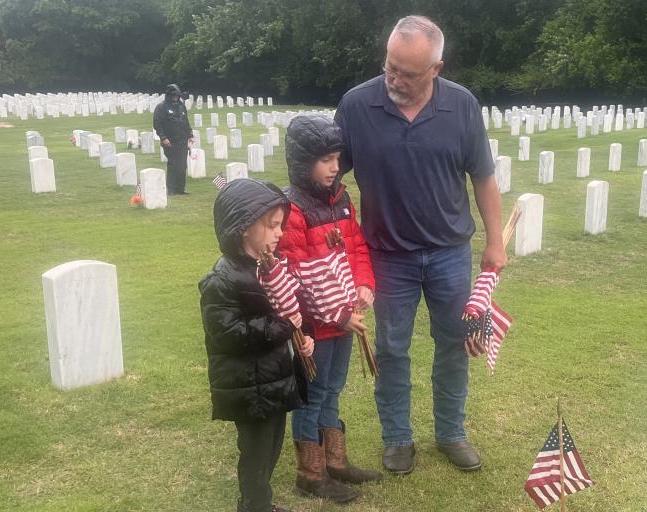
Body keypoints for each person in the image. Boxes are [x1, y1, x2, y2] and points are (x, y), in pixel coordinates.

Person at [333, 15, 507, 475]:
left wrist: (495, 243)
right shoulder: (356, 105)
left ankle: (450, 432)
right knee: (391, 348)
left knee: (454, 343)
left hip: (450, 252)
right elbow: (331, 176)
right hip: (387, 255)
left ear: (437, 68)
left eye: (408, 73)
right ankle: (397, 438)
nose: (394, 79)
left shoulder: (462, 106)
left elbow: (484, 178)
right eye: (390, 66)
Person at [277, 115, 381, 503]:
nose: (334, 167)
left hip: (344, 320)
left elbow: (355, 249)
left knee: (333, 388)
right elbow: (295, 274)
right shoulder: (293, 209)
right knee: (313, 393)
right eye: (324, 160)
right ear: (303, 162)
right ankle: (310, 471)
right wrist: (335, 313)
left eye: (336, 158)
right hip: (315, 327)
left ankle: (334, 461)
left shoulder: (342, 199)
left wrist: (364, 285)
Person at [199, 178, 315, 512]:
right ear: (243, 227)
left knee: (271, 449)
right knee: (256, 452)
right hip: (249, 386)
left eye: (280, 225)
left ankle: (259, 502)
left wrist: (302, 338)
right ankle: (254, 506)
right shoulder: (222, 280)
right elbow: (229, 333)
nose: (280, 233)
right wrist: (283, 326)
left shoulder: (272, 269)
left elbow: (292, 309)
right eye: (272, 225)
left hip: (274, 380)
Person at [153, 83, 194, 195]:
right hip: (170, 141)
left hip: (182, 140)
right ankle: (171, 189)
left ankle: (181, 188)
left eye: (177, 95)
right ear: (169, 95)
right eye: (174, 95)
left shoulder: (181, 106)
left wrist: (190, 134)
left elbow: (186, 121)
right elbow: (157, 124)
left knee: (182, 165)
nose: (176, 97)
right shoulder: (161, 107)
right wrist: (163, 138)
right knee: (173, 164)